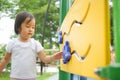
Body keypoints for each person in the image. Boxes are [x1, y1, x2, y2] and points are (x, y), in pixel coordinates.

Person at [0, 11, 62, 80]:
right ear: (18, 28)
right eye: (28, 26)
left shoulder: (35, 44)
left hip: (31, 77)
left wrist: (53, 57)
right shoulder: (12, 43)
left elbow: (44, 58)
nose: (31, 29)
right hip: (15, 77)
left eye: (33, 27)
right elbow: (6, 59)